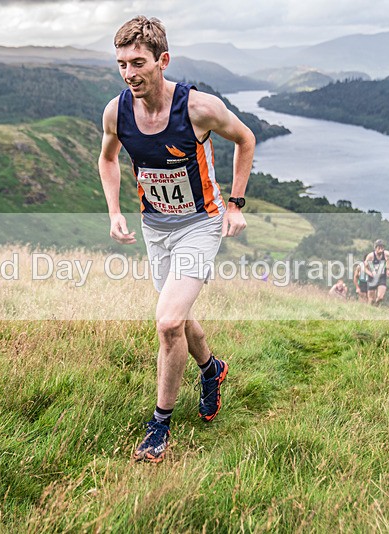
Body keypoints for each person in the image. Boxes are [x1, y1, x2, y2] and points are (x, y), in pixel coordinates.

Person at [98, 16, 255, 463]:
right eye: (122, 64)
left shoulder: (198, 108)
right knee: (179, 318)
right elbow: (107, 160)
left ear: (163, 61)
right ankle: (212, 370)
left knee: (167, 322)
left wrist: (237, 205)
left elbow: (245, 139)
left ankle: (159, 426)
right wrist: (114, 212)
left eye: (139, 63)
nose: (130, 74)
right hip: (155, 228)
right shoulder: (117, 111)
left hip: (200, 224)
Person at [364, 239, 389, 305]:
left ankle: (376, 305)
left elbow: (388, 260)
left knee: (380, 297)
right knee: (371, 299)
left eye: (382, 247)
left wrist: (387, 269)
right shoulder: (371, 256)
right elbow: (365, 268)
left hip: (382, 277)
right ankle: (370, 310)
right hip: (372, 278)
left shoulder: (386, 254)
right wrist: (370, 274)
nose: (381, 249)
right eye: (379, 247)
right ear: (375, 248)